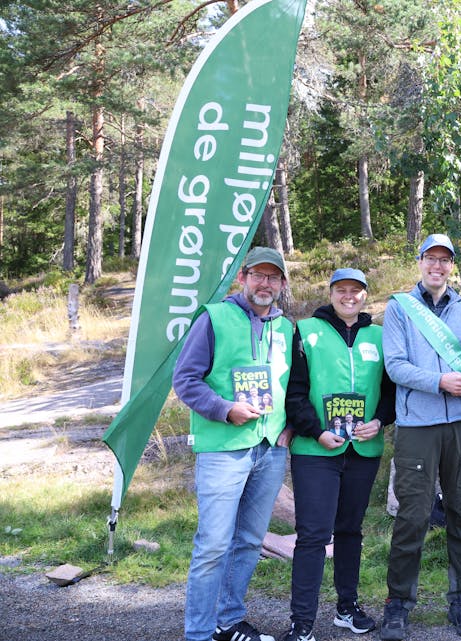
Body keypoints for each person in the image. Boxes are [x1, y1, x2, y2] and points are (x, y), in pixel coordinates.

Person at [172, 247, 292, 641]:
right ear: (243, 278)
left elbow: (291, 388)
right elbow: (186, 379)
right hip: (224, 449)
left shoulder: (286, 329)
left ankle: (228, 620)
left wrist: (287, 429)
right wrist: (225, 409)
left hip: (270, 449)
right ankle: (199, 633)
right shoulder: (214, 317)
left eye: (273, 277)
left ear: (282, 284)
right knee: (213, 545)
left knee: (250, 542)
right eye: (258, 275)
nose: (265, 283)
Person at [380, 233, 461, 640]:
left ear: (452, 266)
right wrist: (440, 381)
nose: (437, 266)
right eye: (431, 259)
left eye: (445, 260)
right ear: (420, 262)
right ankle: (398, 604)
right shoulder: (399, 309)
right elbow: (395, 366)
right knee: (412, 516)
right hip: (416, 427)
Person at [277, 268, 395, 641]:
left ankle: (347, 608)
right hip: (316, 450)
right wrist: (316, 430)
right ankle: (302, 624)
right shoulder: (306, 331)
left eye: (356, 291)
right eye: (341, 290)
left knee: (349, 531)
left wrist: (379, 421)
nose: (349, 296)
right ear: (331, 294)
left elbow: (392, 392)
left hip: (363, 449)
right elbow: (294, 392)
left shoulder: (380, 336)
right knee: (312, 535)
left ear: (365, 295)